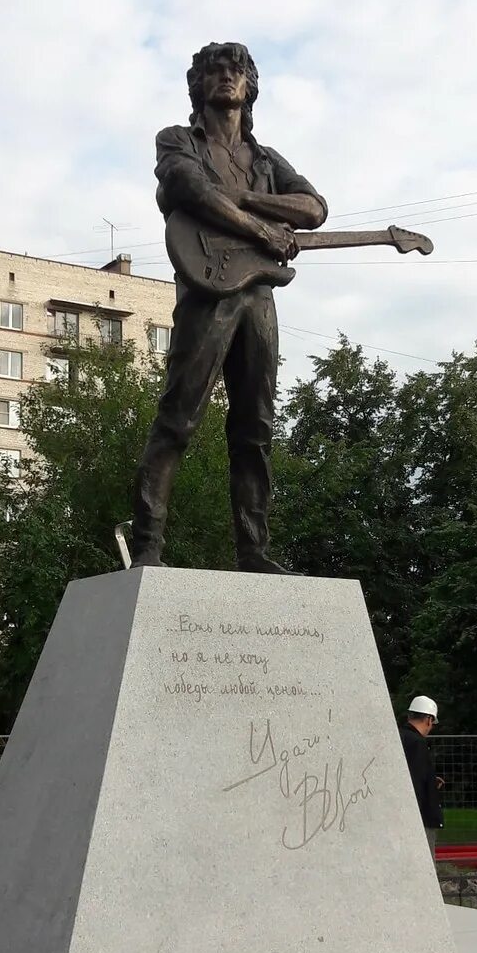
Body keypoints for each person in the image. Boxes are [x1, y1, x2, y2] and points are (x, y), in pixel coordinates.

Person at [130, 41, 328, 572]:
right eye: (213, 71)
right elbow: (186, 186)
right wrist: (259, 225)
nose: (224, 78)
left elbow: (313, 208)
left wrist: (248, 199)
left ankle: (254, 551)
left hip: (258, 298)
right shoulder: (177, 140)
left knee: (255, 427)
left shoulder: (265, 160)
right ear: (198, 86)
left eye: (235, 71)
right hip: (206, 293)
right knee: (178, 419)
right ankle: (147, 547)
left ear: (249, 85)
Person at [399, 695, 444, 856]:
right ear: (429, 719)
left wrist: (430, 781)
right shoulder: (417, 743)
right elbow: (416, 783)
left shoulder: (399, 737)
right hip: (419, 819)